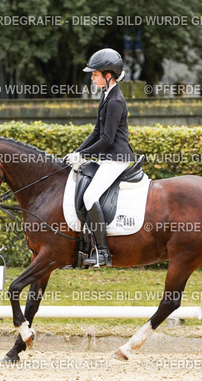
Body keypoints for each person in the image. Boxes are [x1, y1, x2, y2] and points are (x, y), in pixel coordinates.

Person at [64, 48, 135, 267]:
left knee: (90, 196)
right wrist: (77, 152)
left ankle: (103, 252)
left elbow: (107, 139)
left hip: (117, 158)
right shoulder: (106, 95)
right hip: (107, 157)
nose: (92, 78)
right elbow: (96, 132)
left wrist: (82, 155)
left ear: (108, 75)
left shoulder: (115, 101)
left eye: (95, 74)